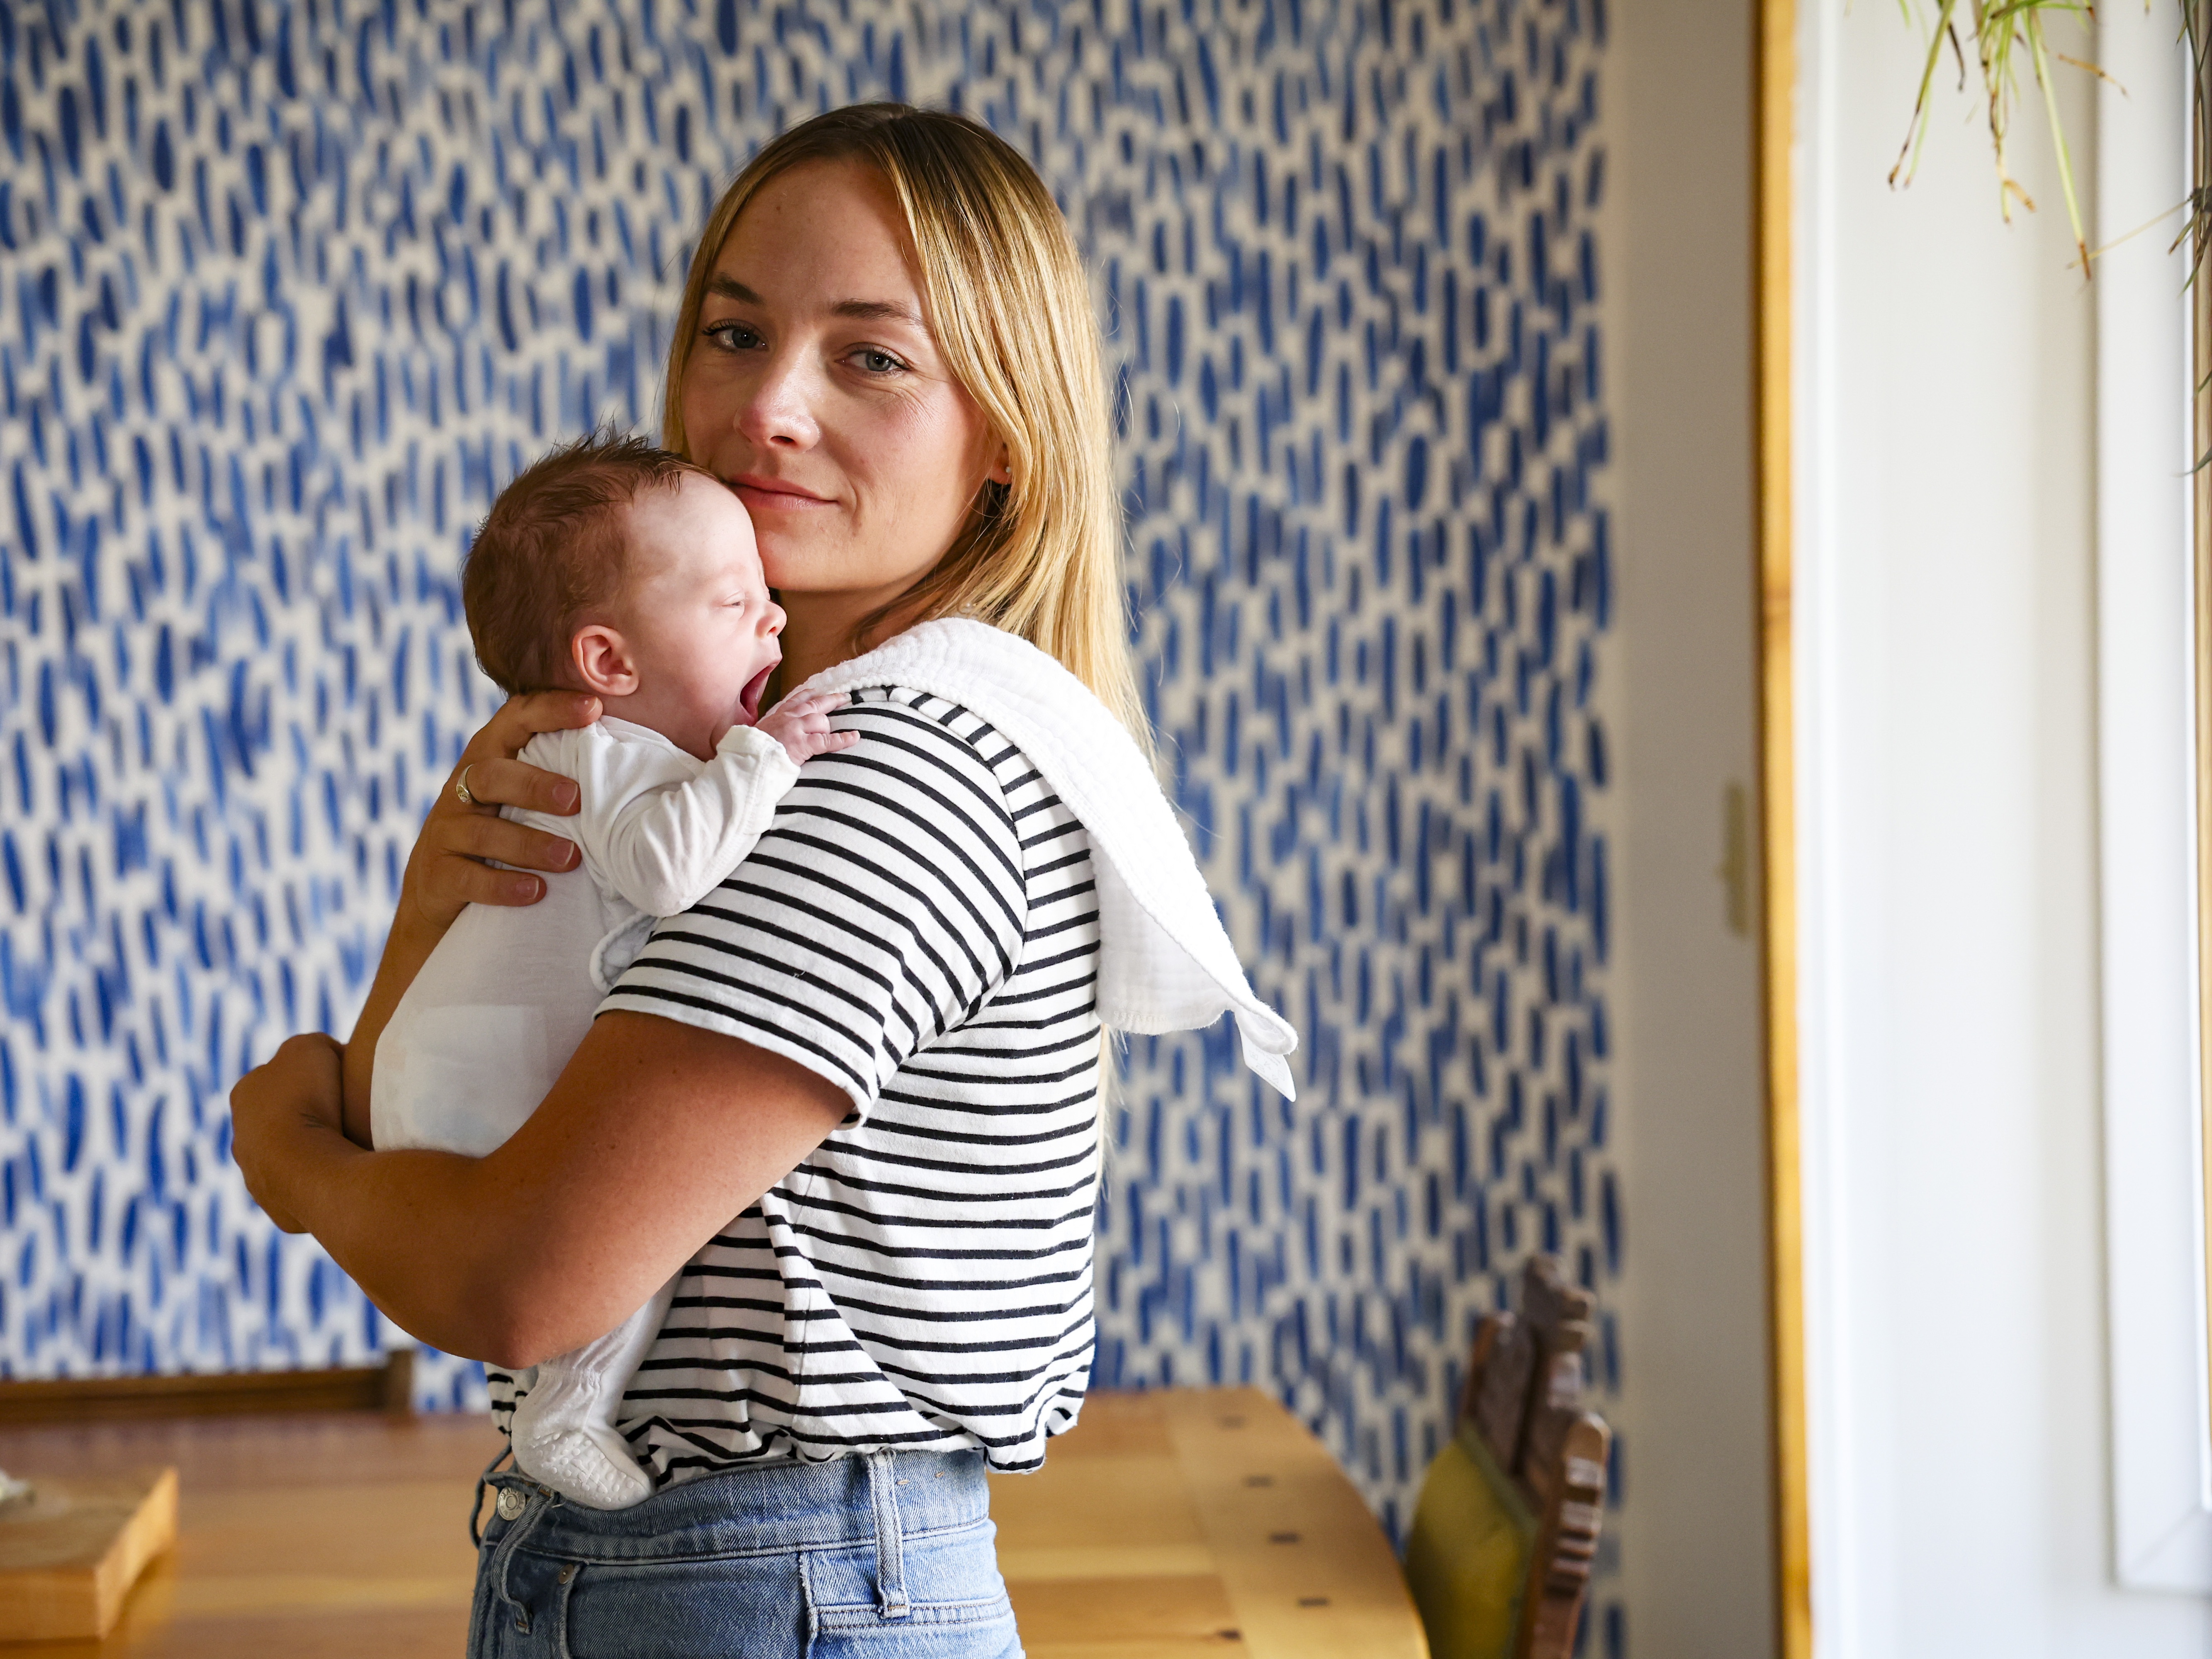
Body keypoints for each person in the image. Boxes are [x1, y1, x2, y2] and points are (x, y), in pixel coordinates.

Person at [229, 104, 1293, 1659]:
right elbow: (445, 1126)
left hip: (758, 1584)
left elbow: (520, 1280)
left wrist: (290, 1155)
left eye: (871, 356)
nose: (765, 407)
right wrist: (423, 915)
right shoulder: (737, 754)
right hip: (727, 1574)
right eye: (733, 331)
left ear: (1004, 437)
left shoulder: (891, 772)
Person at [356, 432, 855, 1511]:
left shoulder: (603, 755)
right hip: (478, 1080)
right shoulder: (602, 749)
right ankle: (564, 1414)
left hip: (464, 1068)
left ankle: (559, 1409)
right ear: (609, 664)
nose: (773, 619)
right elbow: (671, 871)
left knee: (621, 1233)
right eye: (735, 604)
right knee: (622, 1236)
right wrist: (767, 756)